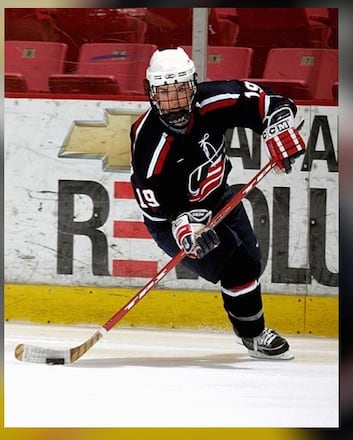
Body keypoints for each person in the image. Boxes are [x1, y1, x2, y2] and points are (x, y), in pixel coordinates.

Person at [129, 47, 306, 360]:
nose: (174, 103)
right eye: (164, 94)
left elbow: (269, 102)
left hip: (219, 197)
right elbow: (153, 201)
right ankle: (253, 337)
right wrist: (182, 226)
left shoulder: (214, 100)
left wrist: (277, 127)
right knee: (235, 268)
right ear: (151, 95)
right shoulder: (148, 141)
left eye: (181, 91)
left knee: (250, 262)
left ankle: (249, 329)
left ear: (193, 86)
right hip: (173, 220)